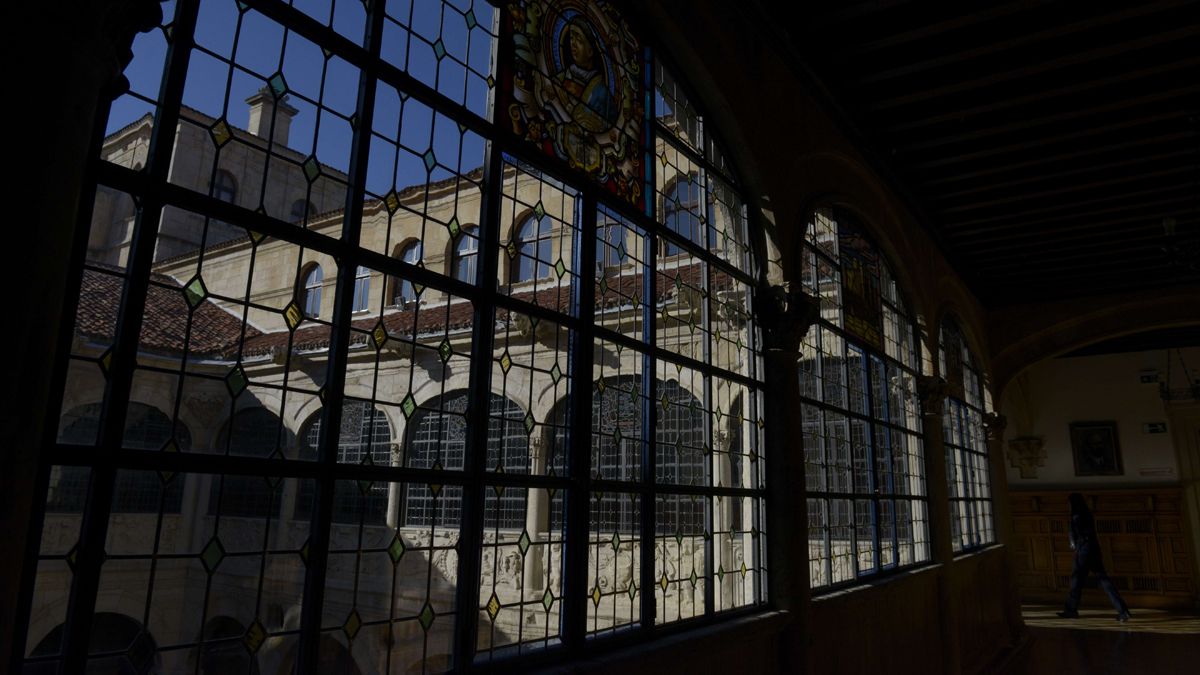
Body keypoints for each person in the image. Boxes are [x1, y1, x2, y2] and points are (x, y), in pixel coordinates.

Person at [1058, 492, 1131, 621]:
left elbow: (1076, 536)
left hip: (1083, 551)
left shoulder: (1076, 516)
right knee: (1104, 581)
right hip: (1094, 549)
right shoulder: (1087, 514)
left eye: (1068, 502)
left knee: (1076, 582)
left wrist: (1075, 545)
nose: (1067, 505)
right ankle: (1123, 610)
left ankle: (1071, 610)